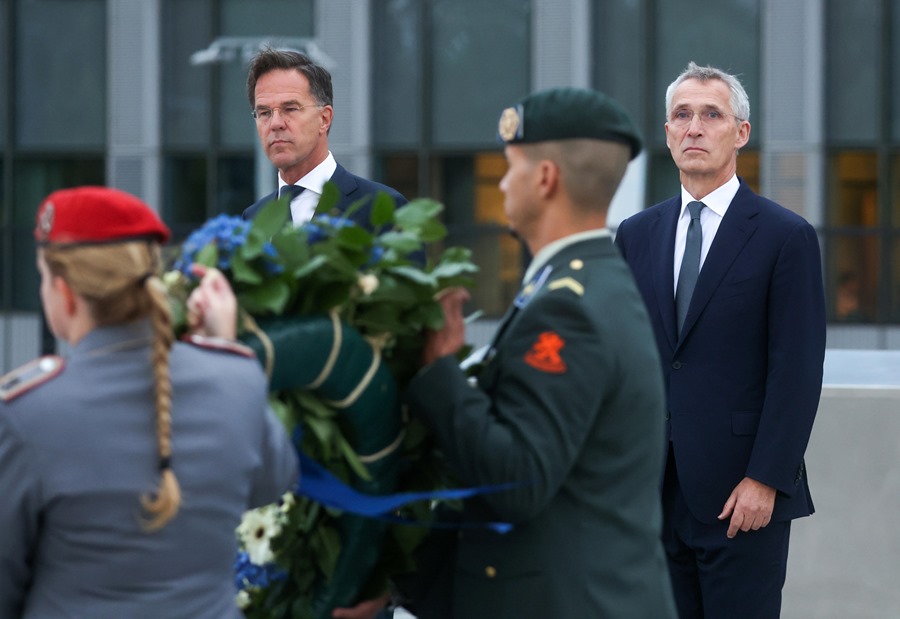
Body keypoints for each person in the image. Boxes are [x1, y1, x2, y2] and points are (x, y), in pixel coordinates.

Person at [398, 88, 677, 619]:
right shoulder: (591, 282)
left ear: (546, 178)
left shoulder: (566, 308)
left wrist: (437, 372)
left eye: (510, 167)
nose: (502, 183)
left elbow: (518, 478)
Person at [0, 186, 298, 618]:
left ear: (64, 293)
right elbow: (273, 481)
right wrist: (224, 346)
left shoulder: (26, 414)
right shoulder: (236, 377)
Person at [615, 62, 826, 619]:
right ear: (666, 134)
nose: (694, 128)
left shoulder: (786, 237)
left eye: (711, 114)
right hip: (650, 497)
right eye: (681, 116)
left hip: (742, 497)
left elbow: (797, 371)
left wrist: (766, 479)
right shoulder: (636, 234)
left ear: (741, 133)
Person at [242, 47, 407, 225]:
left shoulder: (382, 207)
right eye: (264, 112)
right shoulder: (252, 219)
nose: (275, 123)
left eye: (290, 109)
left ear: (324, 118)